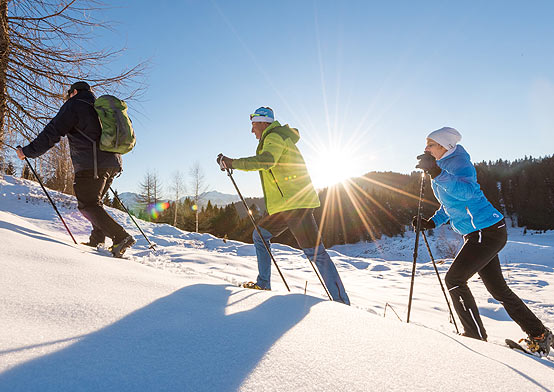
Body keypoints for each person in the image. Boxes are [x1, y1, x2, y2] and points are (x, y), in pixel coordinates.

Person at [414, 126, 552, 356]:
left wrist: (437, 173)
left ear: (444, 146)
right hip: (480, 233)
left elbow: (469, 193)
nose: (426, 148)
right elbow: (451, 204)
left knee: (455, 279)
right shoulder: (442, 168)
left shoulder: (459, 164)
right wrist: (431, 222)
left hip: (486, 231)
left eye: (430, 144)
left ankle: (474, 336)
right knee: (499, 289)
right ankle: (539, 334)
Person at [217, 107, 350, 305]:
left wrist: (233, 163)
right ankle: (263, 283)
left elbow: (267, 161)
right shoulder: (274, 137)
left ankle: (341, 302)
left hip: (295, 206)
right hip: (284, 207)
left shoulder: (274, 137)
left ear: (263, 123)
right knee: (260, 235)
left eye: (253, 125)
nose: (252, 130)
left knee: (316, 254)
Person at [16, 81, 135, 258]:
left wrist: (27, 152)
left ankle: (121, 237)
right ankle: (97, 240)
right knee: (95, 202)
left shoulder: (75, 104)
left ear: (75, 92)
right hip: (112, 162)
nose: (67, 97)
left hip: (91, 163)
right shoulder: (99, 107)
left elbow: (52, 132)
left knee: (87, 204)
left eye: (68, 94)